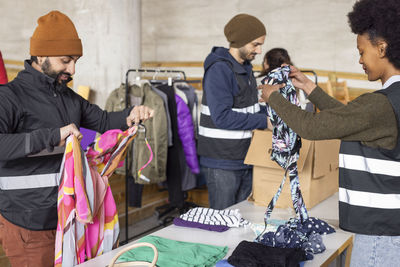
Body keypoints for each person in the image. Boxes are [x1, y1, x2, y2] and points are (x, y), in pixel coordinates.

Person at [0, 10, 153, 267]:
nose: (72, 69)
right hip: (29, 223)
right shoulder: (9, 96)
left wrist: (131, 115)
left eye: (75, 61)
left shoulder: (68, 98)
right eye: (65, 60)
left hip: (69, 217)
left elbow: (104, 121)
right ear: (40, 55)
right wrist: (52, 136)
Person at [259, 0, 400, 265]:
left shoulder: (379, 103)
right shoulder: (389, 101)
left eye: (362, 51)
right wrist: (310, 88)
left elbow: (311, 127)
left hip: (380, 236)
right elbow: (351, 120)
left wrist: (274, 98)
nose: (359, 60)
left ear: (382, 48)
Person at [198, 14, 269, 210]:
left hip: (244, 158)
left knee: (241, 221)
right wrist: (265, 122)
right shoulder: (219, 70)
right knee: (223, 225)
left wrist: (275, 111)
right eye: (255, 44)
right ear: (240, 40)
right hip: (222, 162)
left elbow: (247, 108)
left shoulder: (245, 68)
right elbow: (222, 117)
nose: (259, 50)